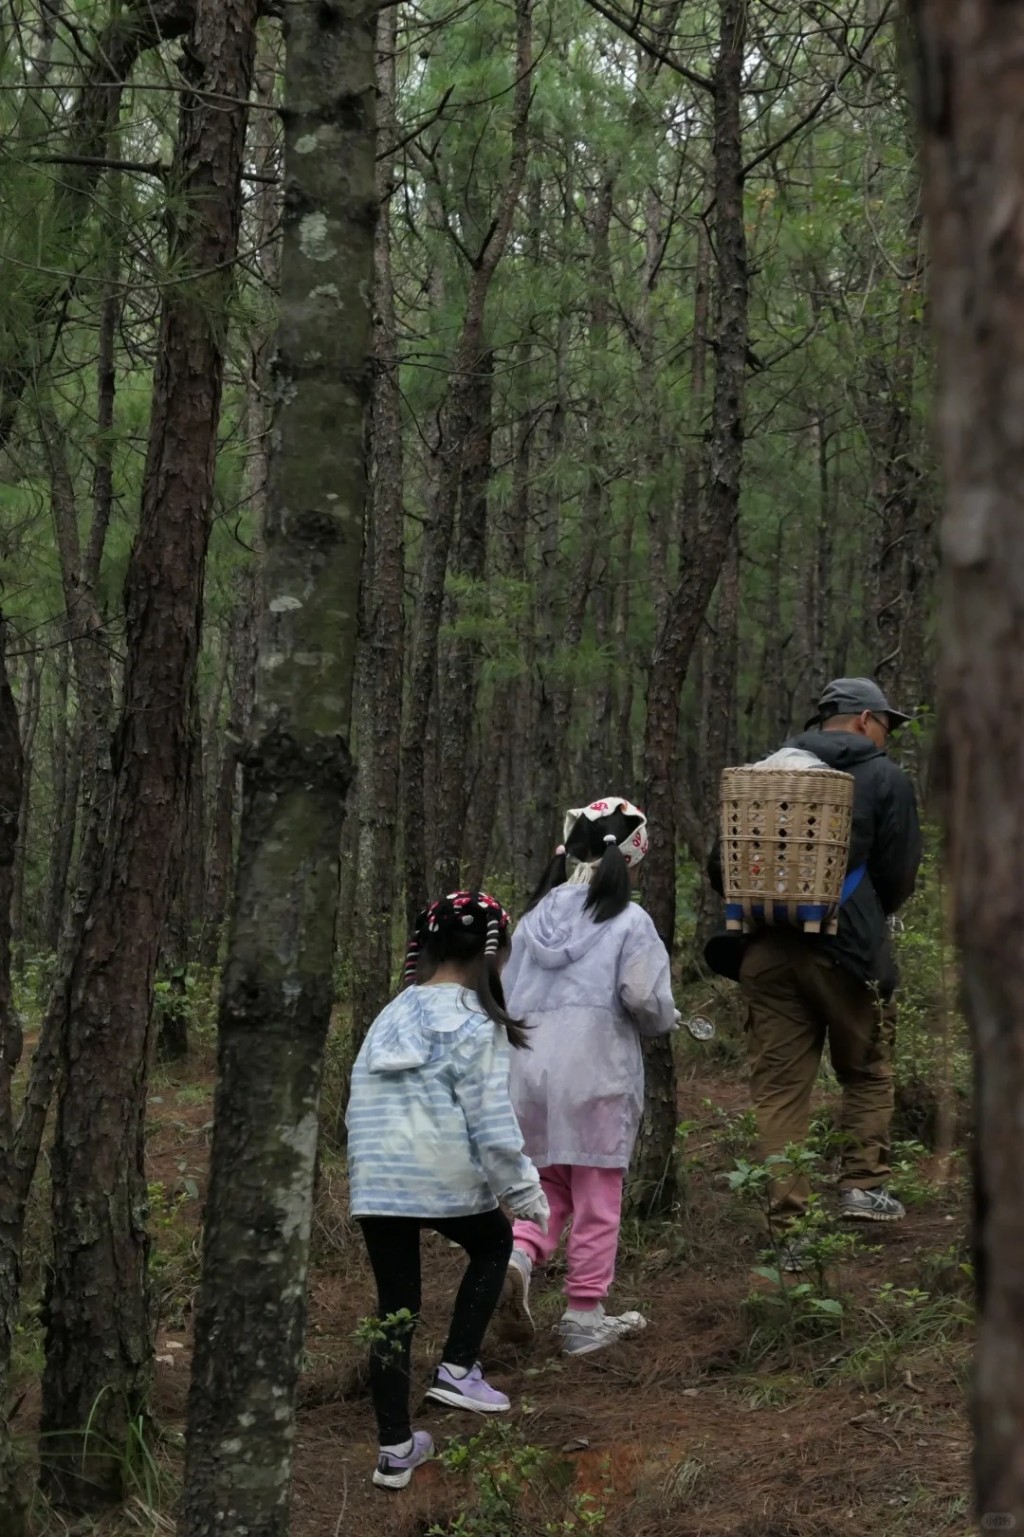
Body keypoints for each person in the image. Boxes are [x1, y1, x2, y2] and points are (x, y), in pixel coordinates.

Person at [346, 890, 550, 1490]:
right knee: (493, 1245)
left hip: (377, 1178)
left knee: (396, 1309)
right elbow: (490, 1120)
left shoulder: (393, 1011)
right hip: (439, 1172)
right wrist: (524, 1191)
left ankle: (394, 1450)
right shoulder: (474, 1020)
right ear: (495, 954)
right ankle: (458, 1367)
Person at [706, 677, 922, 1234]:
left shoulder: (762, 775)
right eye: (886, 724)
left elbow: (718, 866)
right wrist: (867, 911)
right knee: (868, 1069)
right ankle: (862, 1187)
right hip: (847, 952)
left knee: (781, 1092)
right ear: (862, 719)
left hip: (764, 951)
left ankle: (790, 1227)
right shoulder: (883, 777)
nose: (888, 736)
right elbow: (899, 874)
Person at [497, 798, 679, 1356]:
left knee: (547, 1185)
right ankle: (583, 1316)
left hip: (528, 1073)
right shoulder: (629, 920)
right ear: (630, 860)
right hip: (596, 1073)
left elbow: (501, 989)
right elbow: (645, 1000)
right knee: (598, 1194)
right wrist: (666, 1019)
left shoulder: (530, 919)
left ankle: (517, 1258)